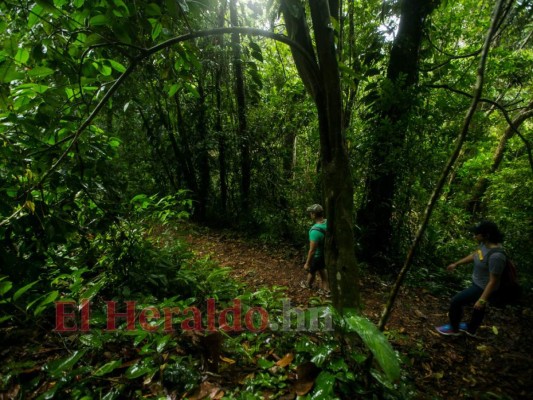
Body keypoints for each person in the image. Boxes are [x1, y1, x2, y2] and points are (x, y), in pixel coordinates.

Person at [436, 221, 506, 337]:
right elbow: (475, 255)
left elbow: (493, 281)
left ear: (486, 235)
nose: (475, 236)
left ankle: (454, 329)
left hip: (483, 287)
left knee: (456, 301)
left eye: (477, 234)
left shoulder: (496, 256)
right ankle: (471, 329)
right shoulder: (484, 245)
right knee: (477, 307)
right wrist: (456, 264)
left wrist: (482, 299)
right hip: (478, 283)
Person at [301, 204, 330, 296]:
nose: (310, 214)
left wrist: (307, 263)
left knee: (312, 270)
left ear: (314, 214)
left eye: (311, 213)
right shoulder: (327, 223)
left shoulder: (315, 231)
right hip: (325, 254)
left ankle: (308, 284)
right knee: (322, 270)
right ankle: (327, 290)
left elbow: (312, 250)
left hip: (317, 255)